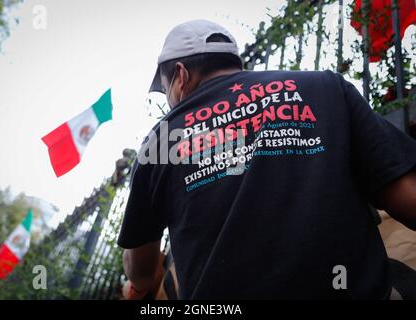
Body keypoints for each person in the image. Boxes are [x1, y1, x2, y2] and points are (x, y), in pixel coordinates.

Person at [117, 19, 416, 299]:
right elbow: (407, 196)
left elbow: (140, 273)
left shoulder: (161, 137)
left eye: (166, 89)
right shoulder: (324, 87)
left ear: (180, 76)